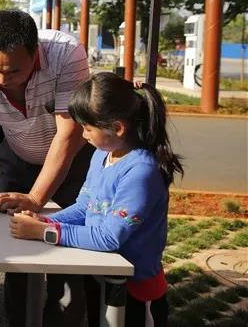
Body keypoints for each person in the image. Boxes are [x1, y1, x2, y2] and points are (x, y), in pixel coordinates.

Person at [0, 9, 93, 327]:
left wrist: (36, 198)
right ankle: (19, 320)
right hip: (17, 157)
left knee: (69, 255)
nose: (1, 80)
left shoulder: (66, 54)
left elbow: (69, 136)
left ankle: (63, 319)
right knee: (16, 251)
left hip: (72, 163)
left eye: (12, 71)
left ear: (35, 53)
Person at [10, 73, 182, 327]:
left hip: (134, 289)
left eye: (88, 128)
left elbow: (110, 237)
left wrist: (46, 232)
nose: (83, 135)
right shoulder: (102, 154)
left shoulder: (141, 171)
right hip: (101, 274)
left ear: (117, 128)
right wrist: (45, 221)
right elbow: (85, 207)